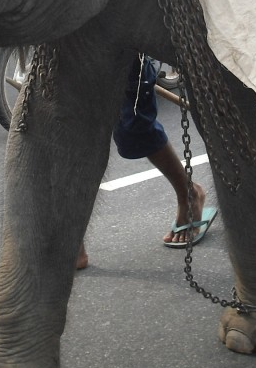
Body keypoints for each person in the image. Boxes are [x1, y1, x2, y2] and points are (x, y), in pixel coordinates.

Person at [76, 55, 217, 269]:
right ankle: (73, 238)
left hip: (121, 47)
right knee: (72, 137)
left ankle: (189, 193)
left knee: (134, 129)